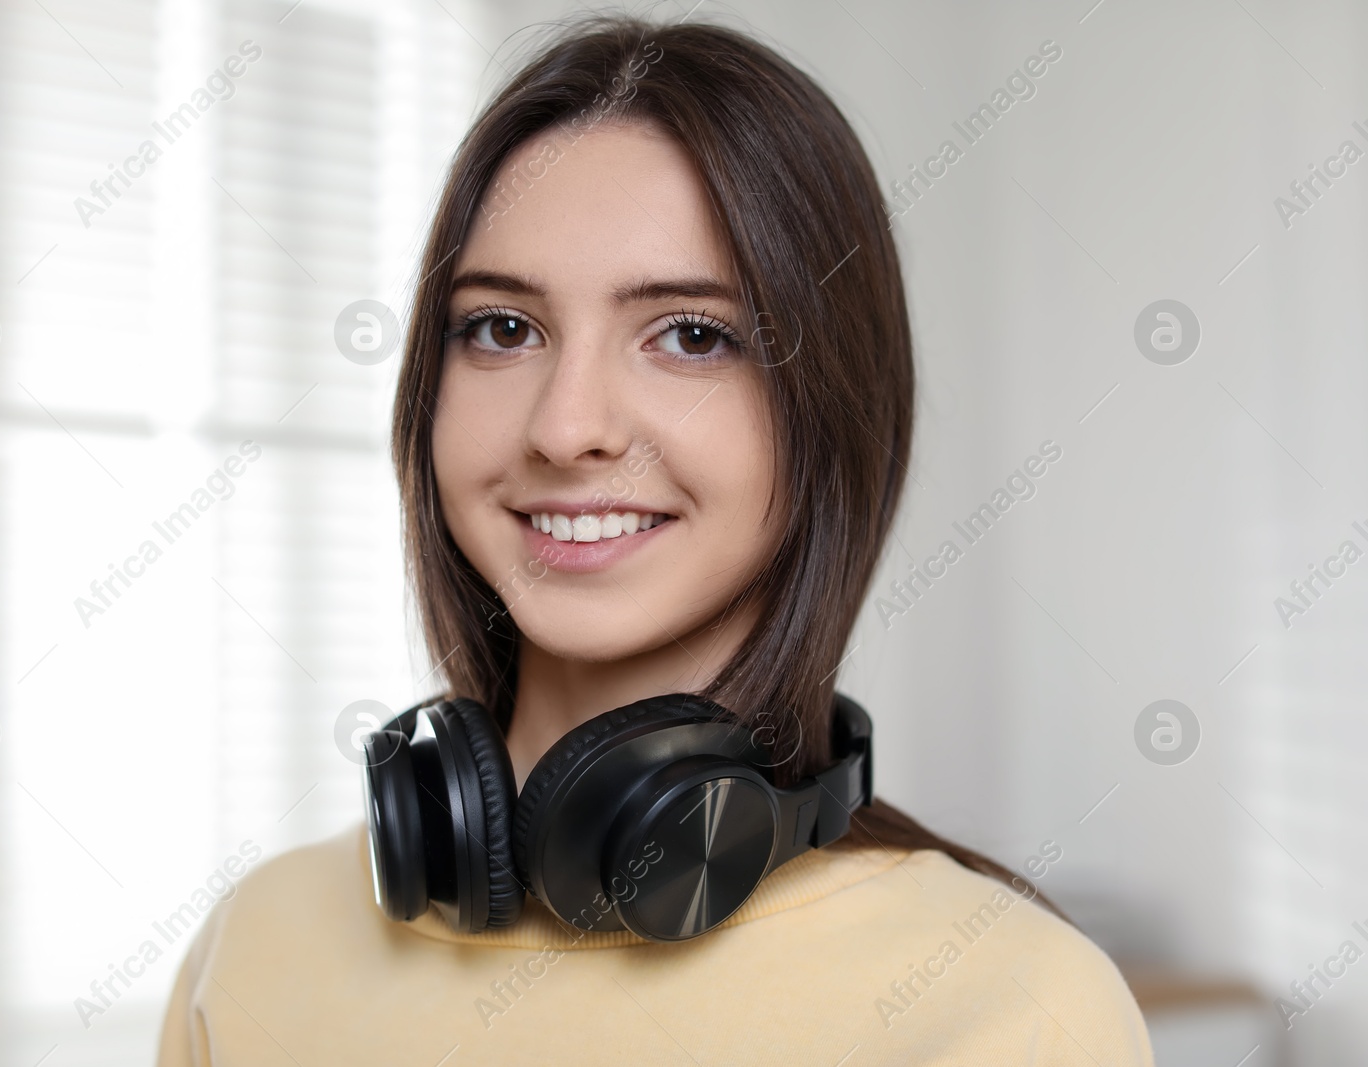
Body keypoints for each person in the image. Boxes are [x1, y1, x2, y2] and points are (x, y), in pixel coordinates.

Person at [157, 16, 1152, 1065]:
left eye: (689, 334)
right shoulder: (259, 950)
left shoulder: (1011, 1005)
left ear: (829, 415)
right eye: (502, 327)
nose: (565, 425)